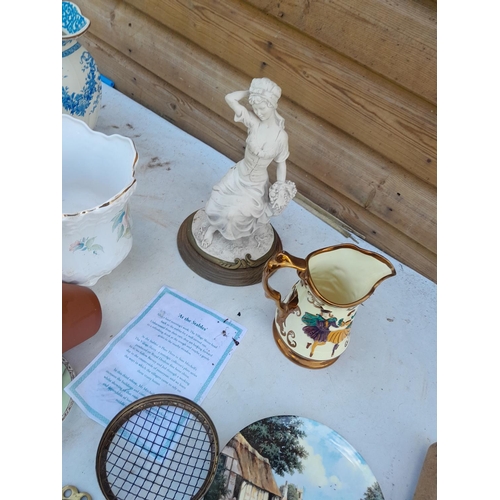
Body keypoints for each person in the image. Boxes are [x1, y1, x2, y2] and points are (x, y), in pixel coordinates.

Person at [199, 77, 296, 248]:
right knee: (216, 203)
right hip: (238, 176)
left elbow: (281, 163)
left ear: (272, 105)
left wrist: (280, 186)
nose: (259, 112)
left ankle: (233, 234)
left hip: (255, 185)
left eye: (262, 107)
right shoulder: (253, 123)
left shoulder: (281, 137)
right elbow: (230, 98)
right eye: (256, 108)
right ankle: (213, 228)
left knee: (234, 215)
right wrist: (251, 92)